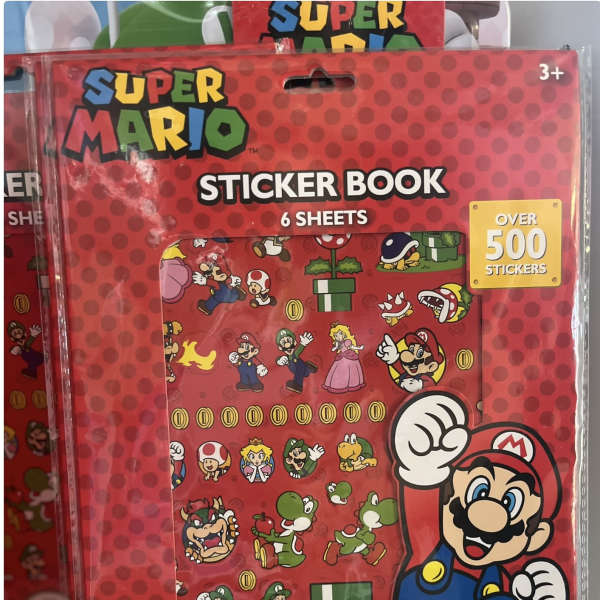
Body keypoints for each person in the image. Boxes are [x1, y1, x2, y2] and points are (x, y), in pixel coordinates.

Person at [322, 323, 365, 394]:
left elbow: (351, 347)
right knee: (338, 371)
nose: (338, 337)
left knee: (350, 371)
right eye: (335, 335)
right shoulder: (338, 343)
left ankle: (351, 385)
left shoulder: (347, 341)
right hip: (341, 357)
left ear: (344, 333)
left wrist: (359, 348)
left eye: (340, 334)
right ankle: (338, 385)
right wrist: (335, 348)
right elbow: (336, 348)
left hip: (349, 357)